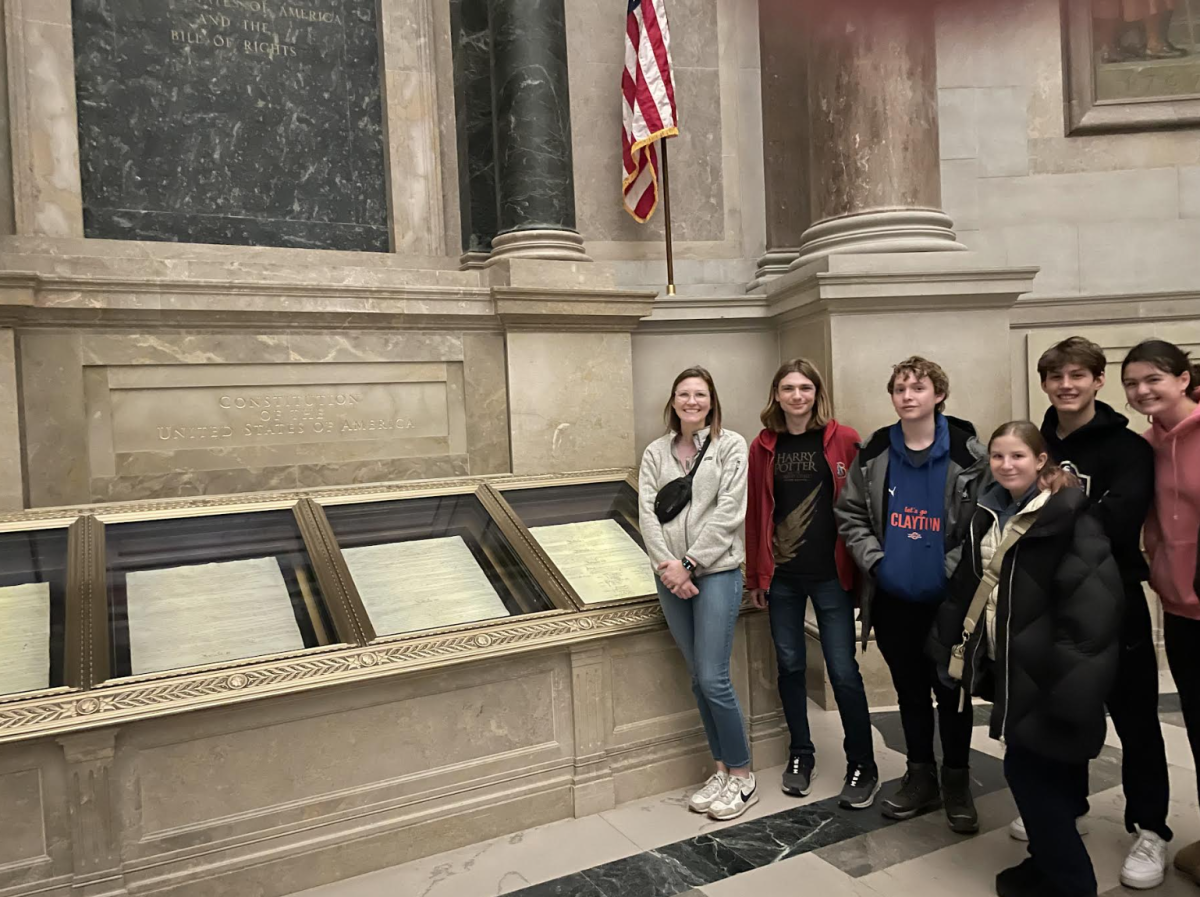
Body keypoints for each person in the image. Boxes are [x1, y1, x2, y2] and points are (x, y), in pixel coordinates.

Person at [931, 421, 1123, 897]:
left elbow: (1092, 619)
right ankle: (1042, 868)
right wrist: (948, 650)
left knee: (1032, 778)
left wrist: (1070, 698)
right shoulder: (990, 512)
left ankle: (1072, 883)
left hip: (1053, 682)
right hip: (1016, 672)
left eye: (1018, 455)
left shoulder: (1070, 518)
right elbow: (969, 588)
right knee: (1038, 776)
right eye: (998, 456)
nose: (1006, 465)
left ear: (1041, 461)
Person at [1026, 337, 1171, 890]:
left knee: (1134, 715)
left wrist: (1054, 515)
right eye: (1056, 376)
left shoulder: (1128, 448)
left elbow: (1116, 520)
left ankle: (1151, 827)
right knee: (1064, 708)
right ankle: (1069, 807)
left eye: (1077, 375)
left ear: (1097, 380)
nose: (1066, 385)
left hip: (1114, 597)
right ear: (1045, 383)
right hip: (1051, 599)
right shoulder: (1033, 442)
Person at [835, 356, 988, 833]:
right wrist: (878, 562)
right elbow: (851, 514)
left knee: (952, 693)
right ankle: (920, 775)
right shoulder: (877, 450)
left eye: (918, 387)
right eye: (900, 388)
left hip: (949, 600)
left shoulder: (969, 453)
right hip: (894, 599)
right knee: (910, 694)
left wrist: (948, 571)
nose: (907, 396)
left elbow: (982, 525)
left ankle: (957, 781)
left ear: (938, 394)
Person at [746, 359, 879, 809]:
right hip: (783, 578)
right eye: (788, 388)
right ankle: (800, 754)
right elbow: (756, 515)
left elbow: (862, 509)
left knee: (843, 671)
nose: (797, 396)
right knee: (790, 666)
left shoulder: (844, 439)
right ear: (776, 395)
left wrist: (865, 574)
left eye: (805, 387)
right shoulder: (763, 445)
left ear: (816, 393)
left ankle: (863, 763)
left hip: (831, 576)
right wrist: (756, 575)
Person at [637, 366, 756, 821]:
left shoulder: (731, 445)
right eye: (683, 394)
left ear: (712, 400)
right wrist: (668, 566)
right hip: (669, 575)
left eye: (700, 394)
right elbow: (648, 514)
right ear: (672, 401)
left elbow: (730, 512)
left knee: (713, 677)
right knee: (696, 677)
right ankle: (722, 768)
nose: (692, 401)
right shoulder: (655, 452)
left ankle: (744, 777)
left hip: (717, 572)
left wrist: (691, 564)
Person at [1122, 340, 1200, 885]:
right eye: (1132, 383)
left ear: (1182, 377)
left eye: (1152, 379)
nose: (1142, 391)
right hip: (1177, 607)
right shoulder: (1144, 445)